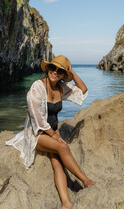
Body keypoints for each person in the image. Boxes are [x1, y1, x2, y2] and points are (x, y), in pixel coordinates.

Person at [6, 55, 96, 209]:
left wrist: (72, 72)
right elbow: (36, 116)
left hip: (53, 131)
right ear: (47, 69)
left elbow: (83, 90)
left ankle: (66, 203)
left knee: (58, 163)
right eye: (53, 68)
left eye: (60, 71)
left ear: (63, 75)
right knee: (62, 147)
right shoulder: (37, 86)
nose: (55, 72)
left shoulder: (62, 87)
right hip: (36, 132)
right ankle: (86, 181)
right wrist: (55, 136)